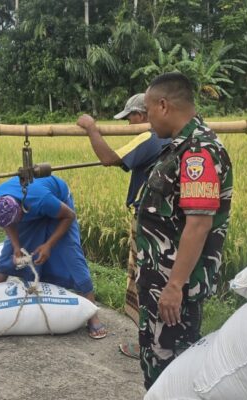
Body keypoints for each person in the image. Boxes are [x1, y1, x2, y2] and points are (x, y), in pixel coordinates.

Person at [134, 72, 232, 389]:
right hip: (159, 282)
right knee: (157, 364)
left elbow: (199, 223)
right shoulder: (179, 147)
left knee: (172, 372)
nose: (148, 120)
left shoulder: (197, 153)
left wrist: (175, 286)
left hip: (173, 288)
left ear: (163, 105)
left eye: (148, 111)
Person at [76, 93, 170, 358]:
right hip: (167, 221)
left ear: (142, 115)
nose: (129, 124)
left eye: (130, 118)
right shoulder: (174, 137)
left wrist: (91, 128)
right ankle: (161, 343)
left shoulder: (149, 136)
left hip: (147, 219)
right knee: (162, 278)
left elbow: (109, 158)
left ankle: (149, 345)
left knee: (146, 279)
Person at [0, 175, 107, 339]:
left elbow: (68, 216)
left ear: (21, 210)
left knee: (71, 255)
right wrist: (16, 247)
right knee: (8, 253)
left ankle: (92, 315)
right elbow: (9, 224)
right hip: (30, 209)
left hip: (61, 206)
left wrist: (48, 245)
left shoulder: (41, 199)